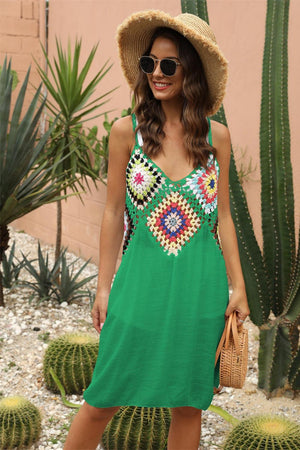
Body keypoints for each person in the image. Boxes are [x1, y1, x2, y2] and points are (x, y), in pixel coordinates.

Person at [64, 10, 250, 450]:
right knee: (102, 397)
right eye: (149, 64)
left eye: (169, 65)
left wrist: (238, 287)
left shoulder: (216, 137)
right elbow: (112, 213)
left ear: (191, 72)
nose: (157, 75)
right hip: (138, 282)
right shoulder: (124, 132)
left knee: (187, 404)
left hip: (200, 288)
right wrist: (103, 288)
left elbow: (223, 217)